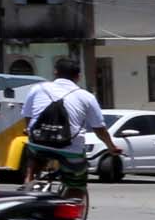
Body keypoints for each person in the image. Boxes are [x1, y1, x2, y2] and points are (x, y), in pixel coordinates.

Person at [15, 54, 110, 182]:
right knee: (76, 185)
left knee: (33, 161)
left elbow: (28, 116)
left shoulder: (37, 89)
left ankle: (29, 182)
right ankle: (73, 196)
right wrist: (111, 147)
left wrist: (29, 130)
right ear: (78, 77)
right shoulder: (87, 97)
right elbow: (100, 129)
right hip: (71, 149)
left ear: (55, 73)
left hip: (38, 143)